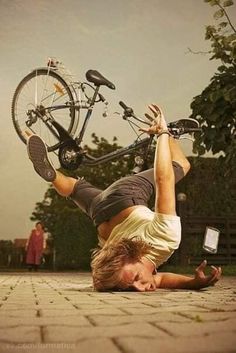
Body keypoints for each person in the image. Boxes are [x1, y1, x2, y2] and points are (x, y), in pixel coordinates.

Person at [26, 104, 221, 290]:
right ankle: (53, 175)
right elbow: (159, 278)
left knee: (182, 165)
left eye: (136, 280)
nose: (142, 288)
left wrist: (162, 135)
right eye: (132, 287)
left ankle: (169, 132)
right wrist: (192, 283)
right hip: (100, 215)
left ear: (131, 257)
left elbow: (164, 179)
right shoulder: (125, 269)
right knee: (75, 189)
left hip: (126, 197)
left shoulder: (166, 238)